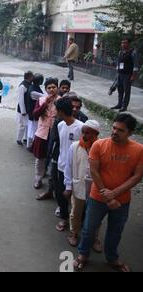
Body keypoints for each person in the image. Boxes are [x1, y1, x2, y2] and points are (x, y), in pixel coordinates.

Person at [74, 114, 143, 272]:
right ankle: (83, 254)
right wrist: (106, 194)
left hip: (122, 200)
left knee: (115, 231)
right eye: (113, 128)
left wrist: (115, 194)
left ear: (130, 133)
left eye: (120, 130)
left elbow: (137, 176)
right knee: (89, 228)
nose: (114, 132)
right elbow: (94, 171)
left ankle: (112, 257)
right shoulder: (99, 145)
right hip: (97, 197)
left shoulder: (139, 150)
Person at [64, 120, 103, 250]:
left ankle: (95, 237)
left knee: (96, 214)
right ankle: (73, 232)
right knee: (76, 211)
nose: (84, 135)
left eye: (88, 133)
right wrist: (68, 186)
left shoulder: (102, 148)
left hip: (95, 188)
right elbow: (68, 167)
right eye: (83, 132)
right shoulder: (74, 146)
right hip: (78, 185)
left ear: (96, 134)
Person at [54, 98, 84, 232]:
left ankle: (78, 223)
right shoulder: (60, 125)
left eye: (56, 110)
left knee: (77, 198)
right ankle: (64, 218)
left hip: (77, 170)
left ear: (60, 111)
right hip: (61, 166)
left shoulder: (81, 127)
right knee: (61, 194)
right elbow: (61, 146)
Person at [32, 78, 59, 190]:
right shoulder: (41, 100)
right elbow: (35, 114)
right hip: (42, 132)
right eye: (49, 88)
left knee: (55, 158)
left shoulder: (61, 100)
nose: (51, 89)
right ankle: (38, 178)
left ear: (57, 88)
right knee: (40, 157)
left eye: (53, 87)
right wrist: (46, 103)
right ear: (46, 89)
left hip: (56, 133)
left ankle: (53, 181)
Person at [110, 37, 140, 112]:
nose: (123, 44)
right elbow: (118, 62)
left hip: (128, 75)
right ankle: (119, 104)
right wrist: (117, 71)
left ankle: (124, 106)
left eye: (125, 43)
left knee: (126, 91)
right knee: (120, 90)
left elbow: (136, 65)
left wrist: (133, 75)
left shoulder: (133, 52)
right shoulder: (120, 52)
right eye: (122, 42)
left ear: (129, 44)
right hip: (120, 74)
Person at [27, 73, 44, 149]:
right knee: (32, 130)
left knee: (32, 129)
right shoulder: (33, 91)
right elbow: (43, 96)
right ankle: (30, 146)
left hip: (32, 112)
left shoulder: (33, 87)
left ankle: (30, 145)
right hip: (33, 112)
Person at [16, 71, 33, 146]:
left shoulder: (29, 84)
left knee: (27, 125)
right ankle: (19, 139)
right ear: (29, 77)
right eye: (32, 76)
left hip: (28, 109)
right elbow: (21, 100)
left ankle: (25, 138)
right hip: (23, 110)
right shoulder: (22, 86)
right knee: (22, 125)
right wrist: (23, 110)